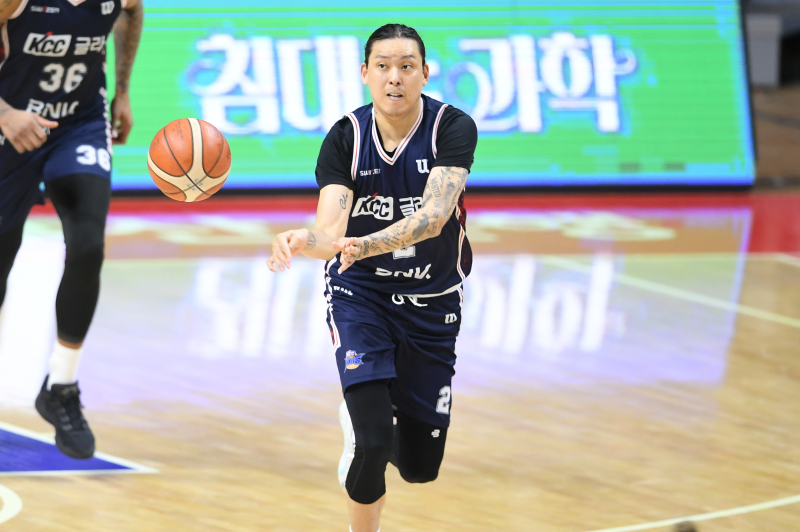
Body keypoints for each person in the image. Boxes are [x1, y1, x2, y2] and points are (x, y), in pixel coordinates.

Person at [267, 23, 477, 532]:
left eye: (407, 66)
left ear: (425, 73)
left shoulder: (451, 127)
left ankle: (380, 418)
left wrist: (364, 244)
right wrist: (302, 239)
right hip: (360, 295)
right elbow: (331, 234)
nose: (394, 77)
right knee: (371, 442)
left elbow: (434, 217)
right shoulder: (346, 137)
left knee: (420, 467)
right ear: (365, 73)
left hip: (433, 298)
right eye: (383, 66)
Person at [0, 0, 143, 459]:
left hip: (79, 123)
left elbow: (132, 11)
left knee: (87, 246)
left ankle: (61, 385)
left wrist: (122, 91)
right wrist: (4, 112)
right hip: (12, 121)